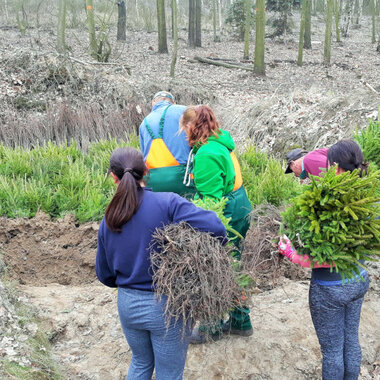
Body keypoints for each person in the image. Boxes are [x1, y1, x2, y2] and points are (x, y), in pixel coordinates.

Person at [96, 147, 226, 379]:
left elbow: (104, 275)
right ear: (146, 172)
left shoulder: (109, 218)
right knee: (169, 373)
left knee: (140, 363)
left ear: (113, 177)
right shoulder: (168, 203)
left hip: (128, 305)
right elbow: (216, 227)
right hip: (166, 307)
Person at [279, 139, 370, 380]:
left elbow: (319, 259)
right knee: (351, 342)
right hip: (358, 279)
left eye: (328, 164)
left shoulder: (325, 204)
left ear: (337, 167)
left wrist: (291, 254)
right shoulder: (365, 197)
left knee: (331, 352)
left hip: (330, 289)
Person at [180, 105, 253, 343]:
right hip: (241, 205)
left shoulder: (207, 153)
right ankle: (241, 321)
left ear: (192, 127)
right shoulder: (220, 140)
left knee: (216, 266)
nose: (184, 135)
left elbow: (212, 204)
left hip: (228, 213)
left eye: (184, 130)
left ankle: (211, 326)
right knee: (234, 264)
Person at [139, 91, 195, 197]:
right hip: (183, 177)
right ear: (173, 103)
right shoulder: (183, 111)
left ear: (153, 103)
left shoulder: (144, 123)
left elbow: (143, 156)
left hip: (153, 180)